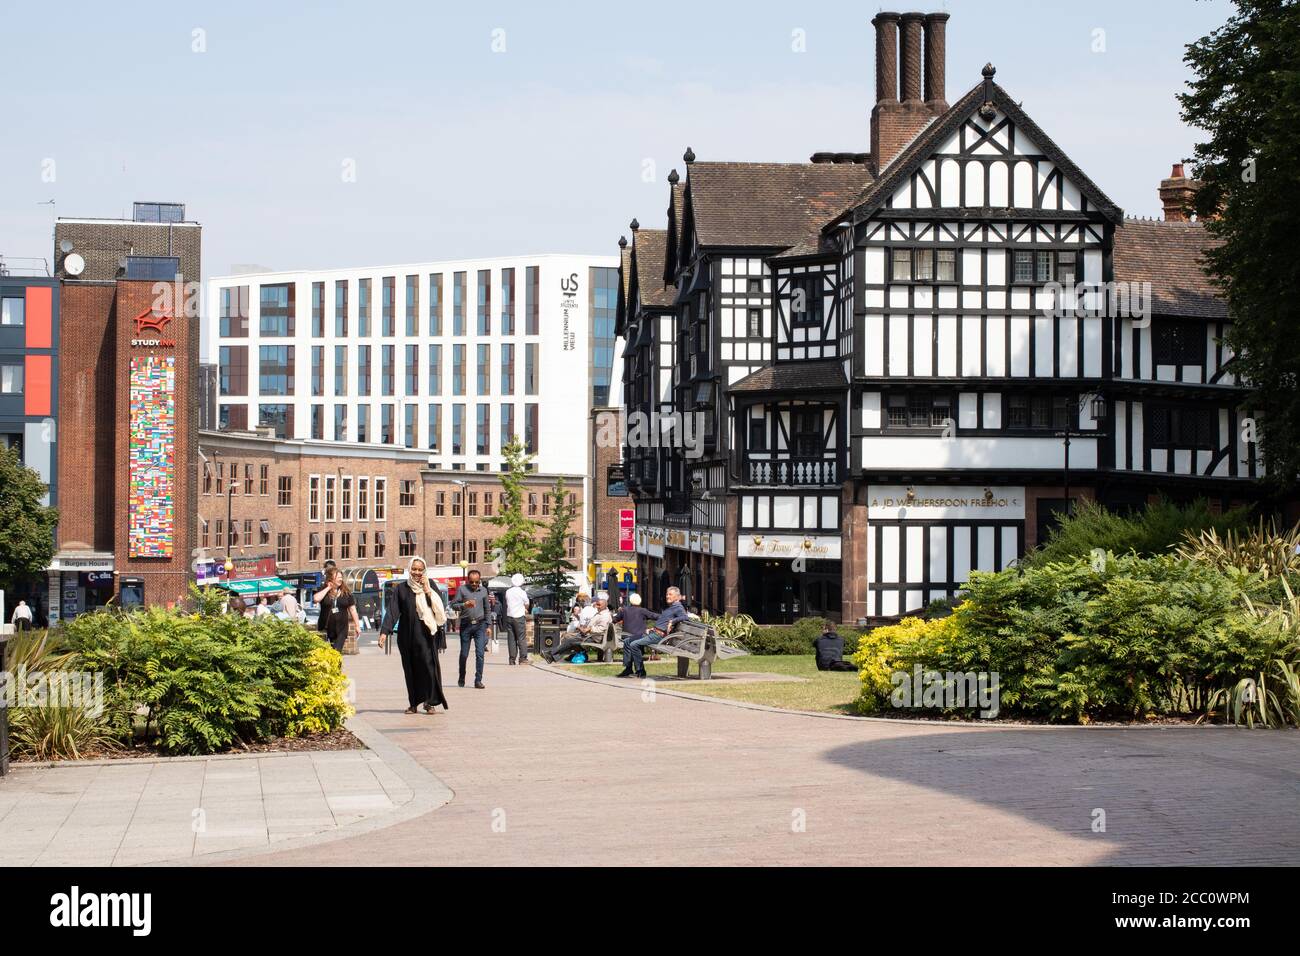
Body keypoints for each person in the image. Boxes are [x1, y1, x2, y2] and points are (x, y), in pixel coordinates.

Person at [379, 556, 449, 714]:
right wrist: (384, 631)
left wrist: (427, 590)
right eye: (414, 569)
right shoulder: (401, 589)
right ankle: (413, 703)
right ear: (409, 569)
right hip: (407, 636)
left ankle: (429, 702)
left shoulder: (430, 585)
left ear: (424, 571)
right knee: (410, 669)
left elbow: (438, 607)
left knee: (428, 667)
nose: (417, 572)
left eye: (420, 570)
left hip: (426, 634)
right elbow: (393, 611)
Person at [625, 586, 690, 677]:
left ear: (677, 597)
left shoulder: (678, 607)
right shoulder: (671, 607)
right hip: (654, 633)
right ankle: (628, 669)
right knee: (627, 641)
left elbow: (685, 617)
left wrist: (673, 621)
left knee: (634, 644)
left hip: (658, 636)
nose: (667, 596)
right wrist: (653, 628)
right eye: (667, 594)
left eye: (670, 594)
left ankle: (640, 671)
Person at [450, 569, 495, 689]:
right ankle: (462, 676)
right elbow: (453, 605)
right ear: (468, 581)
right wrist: (464, 604)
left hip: (480, 625)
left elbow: (487, 609)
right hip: (466, 625)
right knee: (464, 654)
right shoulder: (462, 589)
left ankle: (478, 680)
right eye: (472, 582)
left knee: (480, 654)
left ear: (479, 581)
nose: (474, 584)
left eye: (476, 582)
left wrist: (489, 626)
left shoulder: (484, 591)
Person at [547, 592, 613, 663]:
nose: (597, 606)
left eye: (599, 605)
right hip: (592, 635)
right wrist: (586, 628)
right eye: (597, 604)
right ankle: (552, 655)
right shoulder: (600, 613)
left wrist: (589, 629)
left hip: (595, 638)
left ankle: (551, 655)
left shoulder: (605, 616)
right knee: (570, 640)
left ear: (604, 606)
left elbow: (601, 629)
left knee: (570, 640)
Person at [314, 567, 361, 652]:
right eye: (338, 577)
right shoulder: (323, 590)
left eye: (341, 577)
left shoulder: (346, 593)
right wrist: (328, 588)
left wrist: (357, 626)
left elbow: (353, 610)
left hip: (341, 628)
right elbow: (316, 599)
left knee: (336, 651)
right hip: (326, 627)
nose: (340, 579)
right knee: (326, 653)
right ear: (330, 578)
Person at [613, 593, 656, 678]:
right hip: (640, 636)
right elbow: (654, 616)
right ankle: (639, 670)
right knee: (634, 646)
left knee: (628, 643)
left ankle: (630, 669)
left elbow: (615, 619)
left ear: (630, 601)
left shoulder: (624, 610)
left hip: (628, 637)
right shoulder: (642, 610)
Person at [502, 572, 531, 664]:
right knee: (521, 638)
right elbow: (527, 603)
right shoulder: (522, 592)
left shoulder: (508, 592)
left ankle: (512, 659)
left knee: (511, 639)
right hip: (519, 617)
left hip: (509, 616)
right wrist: (525, 608)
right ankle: (523, 658)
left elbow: (508, 602)